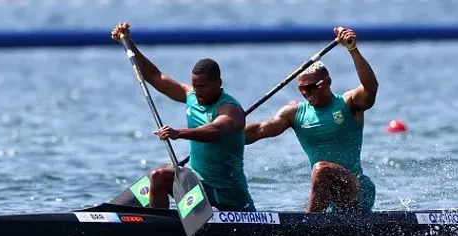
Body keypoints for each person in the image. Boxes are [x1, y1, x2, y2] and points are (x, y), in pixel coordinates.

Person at [111, 22, 255, 212]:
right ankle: (159, 226)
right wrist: (128, 43)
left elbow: (216, 130)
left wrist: (179, 133)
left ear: (218, 83)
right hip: (196, 184)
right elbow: (155, 76)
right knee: (159, 176)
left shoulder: (230, 109)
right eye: (194, 85)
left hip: (230, 194)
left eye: (202, 86)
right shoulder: (191, 96)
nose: (197, 91)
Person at [245, 27, 378, 212]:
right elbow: (260, 129)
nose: (306, 93)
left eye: (311, 87)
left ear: (327, 82)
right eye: (301, 89)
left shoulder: (349, 103)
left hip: (359, 189)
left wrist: (352, 50)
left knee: (321, 169)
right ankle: (313, 225)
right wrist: (224, 135)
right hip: (330, 198)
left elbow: (370, 88)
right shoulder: (294, 114)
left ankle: (308, 225)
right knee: (321, 171)